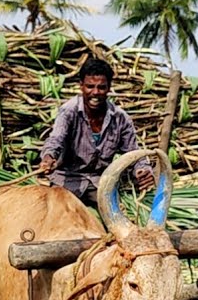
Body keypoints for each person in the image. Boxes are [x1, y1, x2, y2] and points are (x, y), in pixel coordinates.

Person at [39, 58, 156, 207]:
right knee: (58, 214)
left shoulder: (120, 119)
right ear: (81, 86)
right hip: (67, 181)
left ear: (109, 88)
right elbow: (56, 139)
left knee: (120, 215)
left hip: (100, 183)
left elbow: (133, 153)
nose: (95, 92)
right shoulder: (69, 112)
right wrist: (48, 157)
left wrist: (142, 170)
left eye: (101, 87)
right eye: (90, 86)